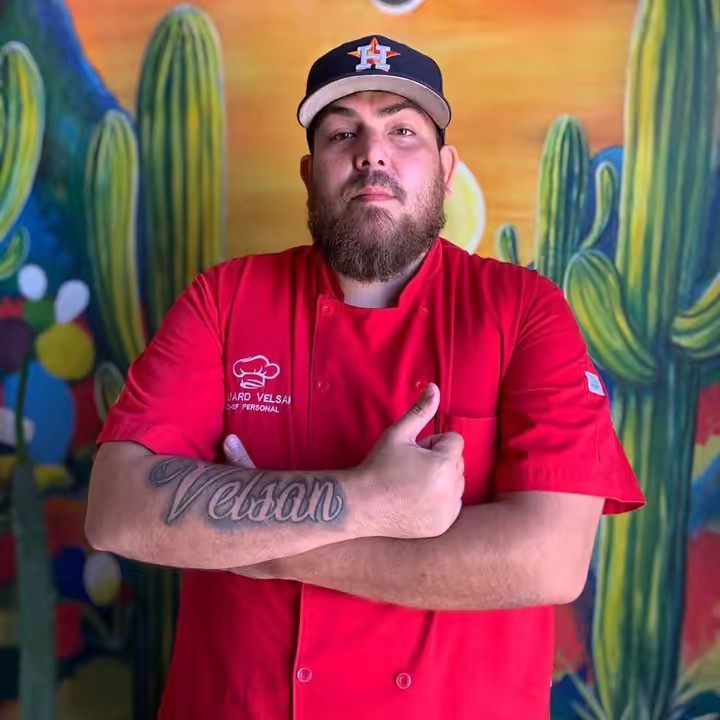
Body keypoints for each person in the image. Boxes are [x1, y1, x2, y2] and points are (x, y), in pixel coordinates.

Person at [86, 34, 646, 720]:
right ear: (309, 173)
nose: (372, 153)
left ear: (445, 168)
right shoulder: (225, 299)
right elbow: (116, 508)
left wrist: (271, 549)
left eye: (402, 130)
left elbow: (550, 561)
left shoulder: (525, 310)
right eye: (342, 132)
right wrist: (368, 499)